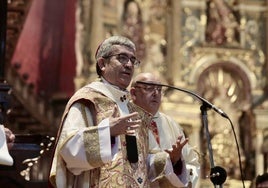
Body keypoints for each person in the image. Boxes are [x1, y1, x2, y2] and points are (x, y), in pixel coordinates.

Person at [49, 36, 153, 187]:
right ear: (102, 64)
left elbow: (143, 164)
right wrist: (107, 132)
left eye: (133, 60)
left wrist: (174, 161)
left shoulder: (133, 109)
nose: (129, 65)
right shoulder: (88, 100)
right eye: (122, 58)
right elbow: (68, 151)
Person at [130, 72, 200, 187]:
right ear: (133, 93)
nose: (155, 93)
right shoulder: (125, 120)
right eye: (149, 88)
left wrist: (177, 163)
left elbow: (192, 163)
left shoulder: (171, 124)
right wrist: (166, 161)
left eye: (159, 89)